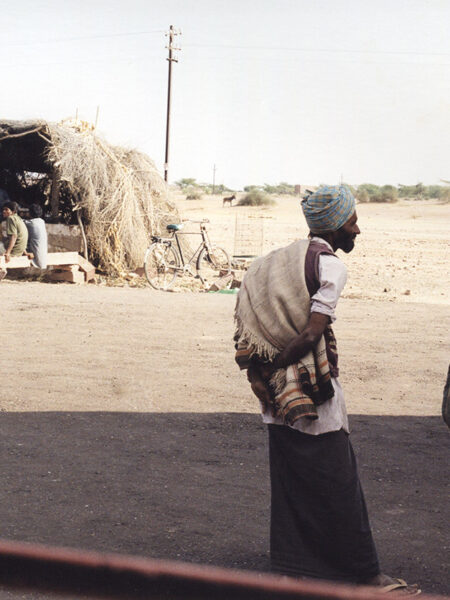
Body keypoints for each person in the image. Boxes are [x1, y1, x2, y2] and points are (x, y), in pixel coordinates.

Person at [234, 185, 420, 595]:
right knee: (339, 481)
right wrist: (282, 362)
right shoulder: (330, 266)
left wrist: (264, 370)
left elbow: (248, 314)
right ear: (336, 226)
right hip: (311, 391)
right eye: (353, 221)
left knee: (291, 482)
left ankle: (292, 569)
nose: (358, 230)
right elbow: (311, 333)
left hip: (275, 395)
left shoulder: (276, 260)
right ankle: (366, 574)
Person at [0, 201, 29, 280]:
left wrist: (8, 252)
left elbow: (14, 236)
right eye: (3, 209)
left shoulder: (10, 218)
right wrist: (25, 252)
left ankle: (1, 268)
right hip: (20, 249)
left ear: (13, 211)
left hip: (15, 250)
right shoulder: (18, 218)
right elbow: (21, 236)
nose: (4, 211)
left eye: (6, 210)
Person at [24, 203, 48, 269]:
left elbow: (19, 223)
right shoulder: (41, 221)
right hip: (42, 253)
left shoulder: (31, 223)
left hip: (35, 254)